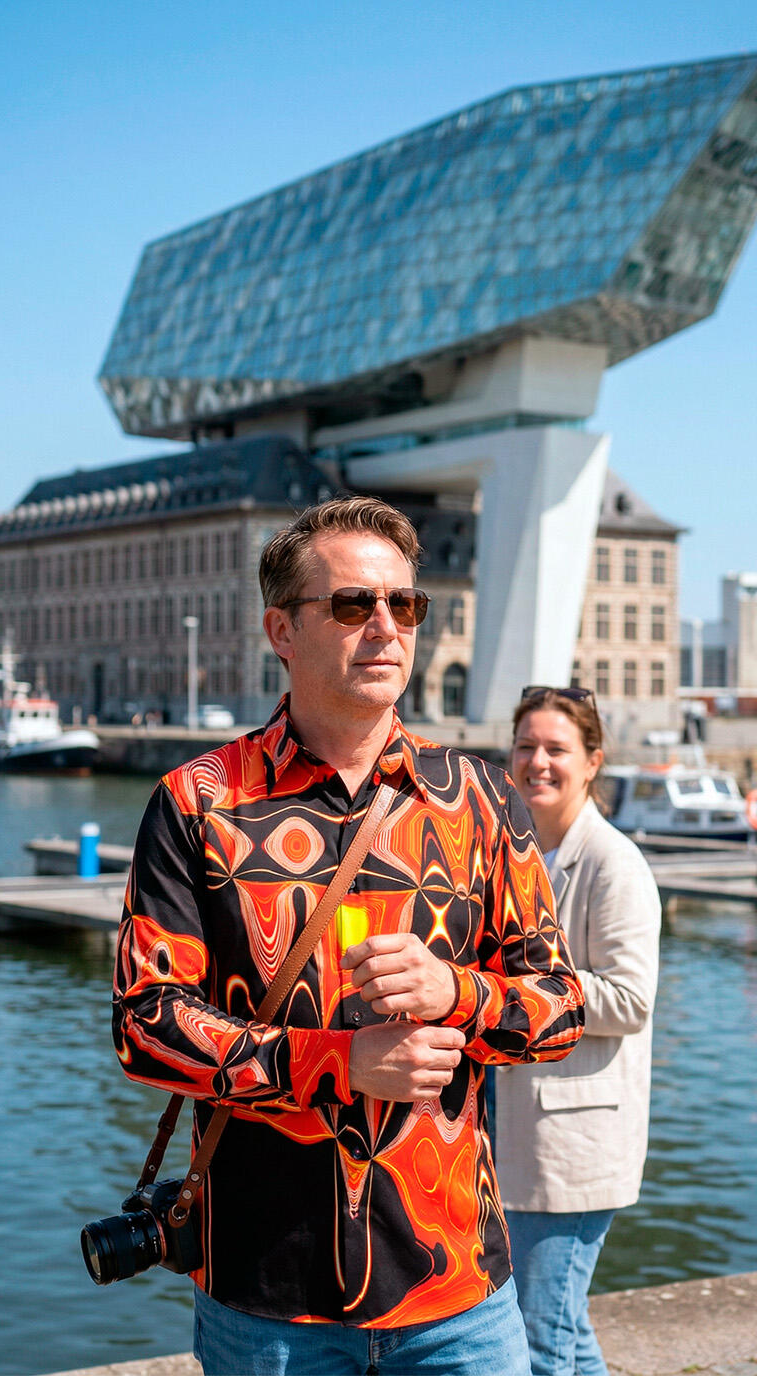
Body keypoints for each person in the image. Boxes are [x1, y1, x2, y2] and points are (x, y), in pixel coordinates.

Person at [111, 497, 585, 1376]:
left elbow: (560, 1008)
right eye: (351, 605)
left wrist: (458, 992)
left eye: (403, 605)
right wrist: (336, 1062)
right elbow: (144, 1024)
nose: (385, 627)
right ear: (281, 631)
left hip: (460, 1297)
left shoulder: (480, 800)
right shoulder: (197, 801)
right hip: (267, 1297)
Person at [496, 685, 661, 1376]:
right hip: (515, 1139)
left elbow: (630, 999)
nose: (539, 762)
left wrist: (513, 993)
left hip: (570, 1149)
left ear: (592, 762)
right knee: (562, 1328)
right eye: (526, 746)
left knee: (540, 1343)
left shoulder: (612, 863)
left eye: (556, 749)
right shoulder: (516, 852)